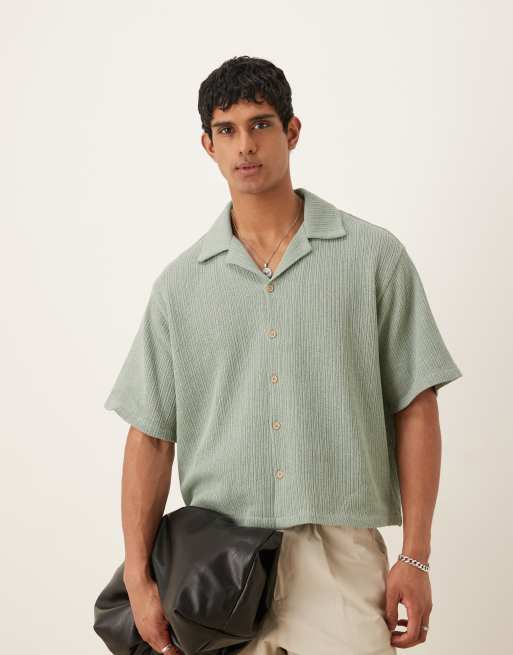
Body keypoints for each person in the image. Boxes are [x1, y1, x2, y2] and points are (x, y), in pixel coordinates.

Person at [103, 56, 463, 654]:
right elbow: (151, 438)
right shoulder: (179, 287)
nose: (245, 145)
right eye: (227, 129)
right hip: (217, 571)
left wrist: (416, 557)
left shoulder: (373, 258)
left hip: (339, 560)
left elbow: (415, 404)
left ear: (292, 131)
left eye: (261, 124)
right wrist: (139, 580)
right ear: (208, 145)